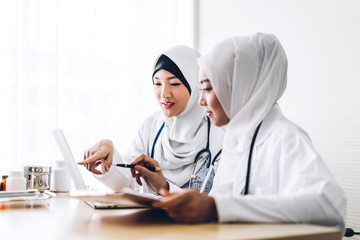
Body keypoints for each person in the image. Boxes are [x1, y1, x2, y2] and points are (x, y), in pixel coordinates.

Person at [153, 33, 346, 229]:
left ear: (240, 89)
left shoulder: (285, 137)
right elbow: (217, 206)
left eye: (208, 89)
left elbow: (330, 205)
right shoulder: (236, 139)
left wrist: (217, 208)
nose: (201, 101)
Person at [78, 46, 224, 194]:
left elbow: (218, 204)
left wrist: (165, 188)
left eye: (174, 84)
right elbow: (128, 183)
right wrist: (108, 160)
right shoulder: (153, 125)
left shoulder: (220, 133)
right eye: (157, 83)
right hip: (148, 217)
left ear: (196, 86)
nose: (164, 94)